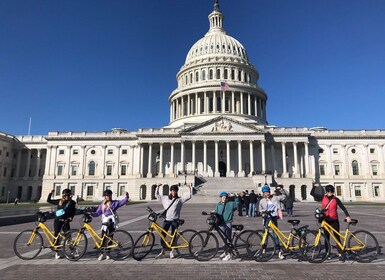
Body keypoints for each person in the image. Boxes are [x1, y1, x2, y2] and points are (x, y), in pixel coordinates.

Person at [310, 184, 351, 262]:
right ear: (326, 192)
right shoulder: (323, 197)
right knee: (326, 238)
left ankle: (340, 253)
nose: (330, 193)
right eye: (329, 191)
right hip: (326, 220)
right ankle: (327, 253)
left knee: (336, 237)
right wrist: (314, 186)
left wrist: (348, 216)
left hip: (334, 220)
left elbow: (343, 208)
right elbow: (312, 193)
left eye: (331, 191)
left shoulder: (336, 199)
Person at [155, 183, 193, 259]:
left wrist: (190, 188)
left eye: (175, 191)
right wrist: (157, 187)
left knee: (173, 236)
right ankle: (162, 251)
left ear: (176, 191)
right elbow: (157, 195)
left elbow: (189, 196)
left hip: (175, 220)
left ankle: (172, 251)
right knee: (162, 235)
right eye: (172, 190)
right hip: (167, 220)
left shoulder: (179, 200)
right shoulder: (165, 198)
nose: (173, 192)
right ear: (170, 191)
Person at [90, 189, 129, 260]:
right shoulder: (103, 204)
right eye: (105, 196)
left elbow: (122, 202)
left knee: (110, 237)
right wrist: (91, 214)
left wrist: (126, 197)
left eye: (108, 196)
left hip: (111, 222)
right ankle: (102, 253)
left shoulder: (114, 203)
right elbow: (98, 213)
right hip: (105, 222)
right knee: (103, 238)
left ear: (110, 196)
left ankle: (108, 253)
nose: (106, 197)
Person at [258, 185, 286, 260]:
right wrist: (264, 211)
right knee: (265, 235)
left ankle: (279, 250)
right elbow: (260, 210)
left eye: (267, 192)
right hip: (266, 219)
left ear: (269, 192)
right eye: (265, 192)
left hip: (273, 218)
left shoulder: (275, 198)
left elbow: (284, 196)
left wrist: (281, 190)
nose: (266, 194)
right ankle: (264, 250)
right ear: (263, 194)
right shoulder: (262, 201)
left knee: (275, 235)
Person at [47, 188, 76, 259]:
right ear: (63, 195)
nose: (67, 196)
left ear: (70, 195)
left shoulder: (72, 202)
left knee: (68, 236)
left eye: (68, 195)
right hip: (57, 220)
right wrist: (51, 193)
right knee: (56, 235)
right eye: (65, 195)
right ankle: (57, 252)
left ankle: (72, 250)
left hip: (65, 221)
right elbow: (48, 200)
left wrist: (71, 217)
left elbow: (73, 211)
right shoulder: (60, 201)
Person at [215, 191, 238, 261]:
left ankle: (229, 254)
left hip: (228, 222)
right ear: (221, 198)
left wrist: (235, 196)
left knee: (228, 238)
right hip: (221, 223)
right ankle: (225, 252)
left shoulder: (230, 204)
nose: (224, 198)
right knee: (223, 238)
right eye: (223, 197)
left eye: (225, 197)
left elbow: (237, 204)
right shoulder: (218, 204)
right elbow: (216, 212)